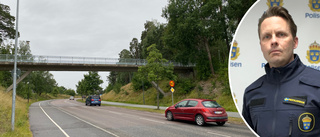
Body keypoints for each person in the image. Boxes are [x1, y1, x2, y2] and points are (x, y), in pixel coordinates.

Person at [242, 6, 320, 137]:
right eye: (267, 36)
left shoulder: (317, 84)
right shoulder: (251, 93)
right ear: (261, 45)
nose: (273, 41)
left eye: (281, 34)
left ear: (295, 42)